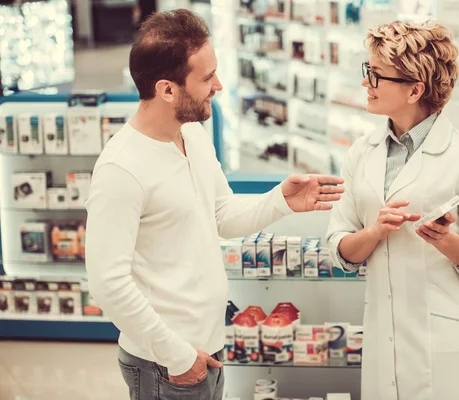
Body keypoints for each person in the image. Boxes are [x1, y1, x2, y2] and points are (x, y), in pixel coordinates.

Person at [85, 9, 344, 400]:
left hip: (205, 350)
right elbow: (108, 283)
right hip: (164, 364)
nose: (219, 85)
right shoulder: (121, 169)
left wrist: (281, 201)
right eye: (207, 78)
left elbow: (222, 215)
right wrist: (177, 356)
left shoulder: (192, 133)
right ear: (167, 89)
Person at [326, 20, 459, 399]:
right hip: (382, 335)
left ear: (415, 90)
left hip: (443, 337)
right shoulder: (362, 152)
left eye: (375, 75)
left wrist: (445, 240)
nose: (365, 83)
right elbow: (339, 247)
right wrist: (372, 233)